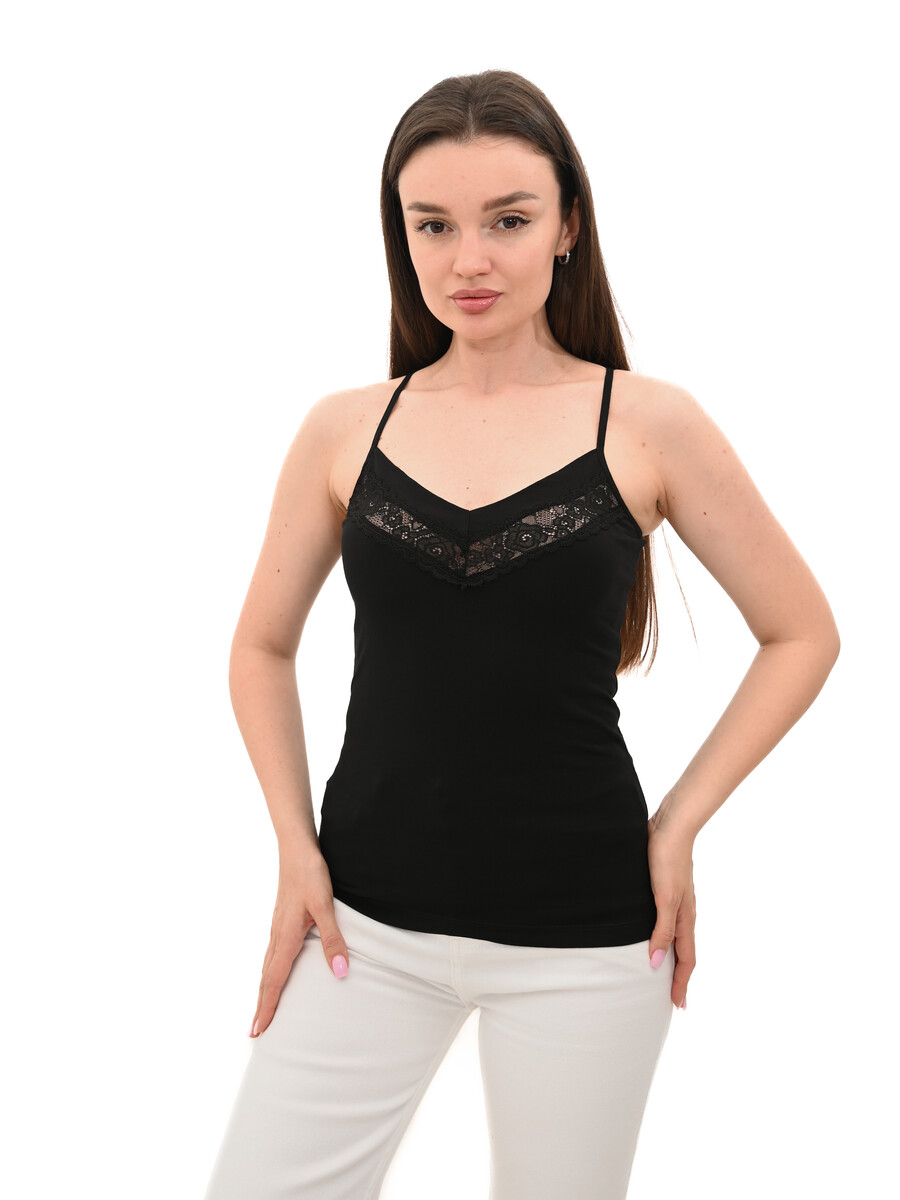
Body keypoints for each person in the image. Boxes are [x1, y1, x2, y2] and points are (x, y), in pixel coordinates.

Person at [202, 70, 840, 1200]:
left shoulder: (649, 422)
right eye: (433, 225)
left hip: (587, 941)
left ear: (568, 226)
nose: (470, 261)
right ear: (401, 235)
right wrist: (295, 848)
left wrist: (678, 823)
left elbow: (801, 633)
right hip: (361, 930)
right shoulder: (344, 429)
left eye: (508, 220)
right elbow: (260, 647)